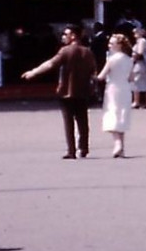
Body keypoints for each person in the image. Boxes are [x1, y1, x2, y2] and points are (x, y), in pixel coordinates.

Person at [20, 24, 97, 159]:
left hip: (66, 91)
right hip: (83, 91)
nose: (63, 37)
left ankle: (71, 150)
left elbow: (50, 64)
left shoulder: (65, 51)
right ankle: (84, 147)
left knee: (68, 122)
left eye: (65, 34)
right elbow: (93, 71)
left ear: (73, 36)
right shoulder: (88, 52)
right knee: (83, 121)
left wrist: (33, 72)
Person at [96, 32, 136, 158]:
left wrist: (92, 76)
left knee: (112, 114)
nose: (109, 45)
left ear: (119, 45)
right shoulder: (129, 59)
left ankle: (117, 143)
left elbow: (101, 76)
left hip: (113, 88)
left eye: (112, 43)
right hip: (125, 88)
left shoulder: (111, 59)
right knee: (122, 115)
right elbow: (131, 77)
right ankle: (121, 147)